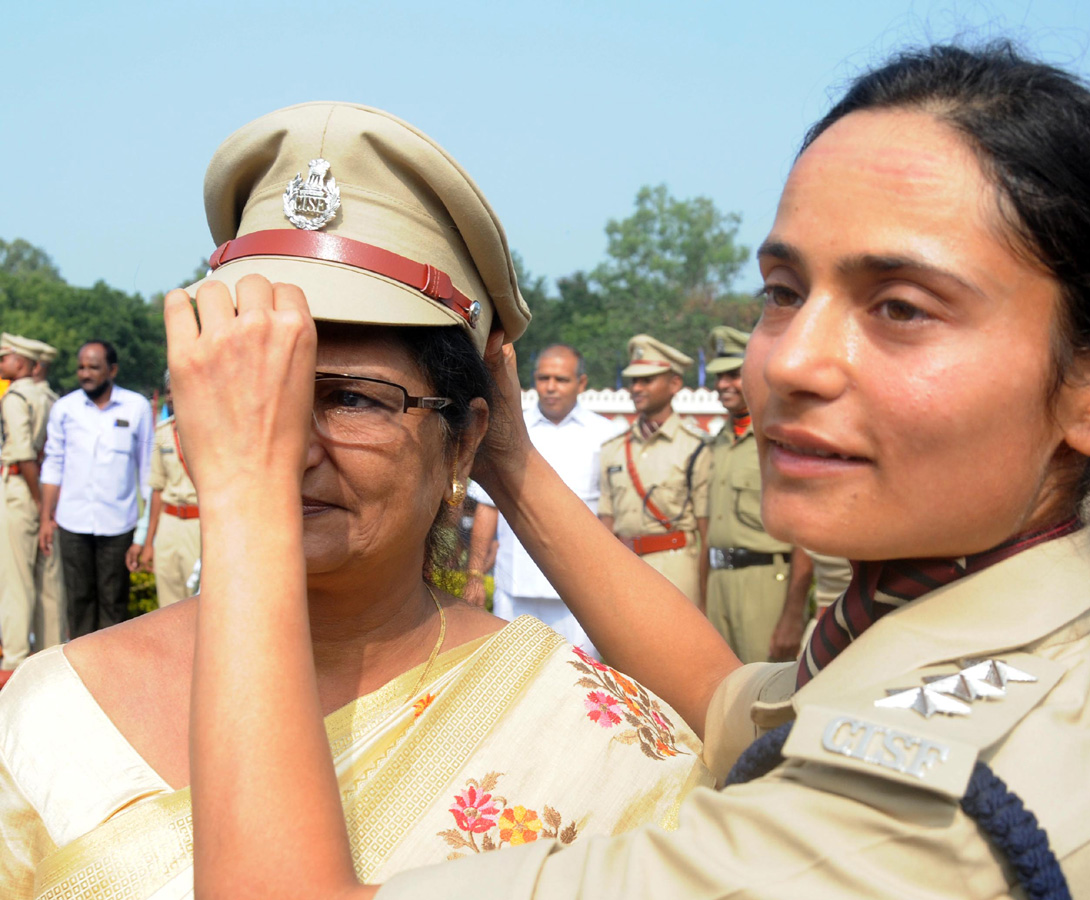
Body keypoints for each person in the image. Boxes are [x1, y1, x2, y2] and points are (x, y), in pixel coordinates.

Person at [183, 43, 1090, 900]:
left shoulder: (909, 825)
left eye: (901, 308)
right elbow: (725, 704)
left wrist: (243, 496)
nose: (787, 363)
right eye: (785, 291)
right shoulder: (970, 657)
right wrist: (512, 464)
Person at [0, 103, 709, 900]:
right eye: (254, 389)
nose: (281, 445)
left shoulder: (581, 730)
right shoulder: (50, 711)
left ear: (467, 438)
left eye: (351, 399)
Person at [463, 345, 620, 656]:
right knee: (511, 680)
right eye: (543, 378)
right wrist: (475, 576)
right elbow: (486, 509)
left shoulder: (606, 435)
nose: (550, 387)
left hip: (582, 592)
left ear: (582, 383)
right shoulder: (507, 432)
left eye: (561, 379)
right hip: (516, 587)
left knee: (583, 686)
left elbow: (611, 516)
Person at [703, 326, 809, 662]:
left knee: (766, 698)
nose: (723, 385)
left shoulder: (782, 440)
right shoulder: (715, 442)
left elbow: (804, 533)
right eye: (718, 377)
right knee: (721, 693)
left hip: (765, 584)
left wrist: (794, 614)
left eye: (733, 375)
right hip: (719, 583)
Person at [38, 339, 154, 637]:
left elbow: (148, 473)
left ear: (112, 370)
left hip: (118, 525)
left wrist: (145, 534)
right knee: (78, 603)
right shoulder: (65, 408)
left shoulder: (136, 407)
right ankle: (80, 675)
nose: (85, 373)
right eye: (81, 367)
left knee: (114, 605)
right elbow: (53, 464)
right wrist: (45, 520)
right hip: (73, 522)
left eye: (94, 367)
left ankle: (111, 678)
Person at [598, 335, 711, 604]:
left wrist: (706, 595)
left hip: (676, 569)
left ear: (674, 384)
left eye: (647, 380)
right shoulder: (613, 449)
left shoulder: (695, 447)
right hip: (624, 567)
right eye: (633, 381)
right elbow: (607, 522)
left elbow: (707, 532)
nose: (636, 388)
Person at [0, 334, 64, 686]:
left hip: (22, 492)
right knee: (48, 583)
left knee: (16, 582)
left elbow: (23, 454)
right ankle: (51, 662)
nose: (1, 365)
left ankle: (13, 664)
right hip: (47, 495)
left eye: (5, 359)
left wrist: (39, 505)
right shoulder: (50, 397)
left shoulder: (16, 396)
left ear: (21, 363)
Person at [139, 370, 201, 608]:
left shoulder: (211, 434)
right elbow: (157, 489)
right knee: (167, 601)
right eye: (168, 392)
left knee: (198, 601)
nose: (172, 398)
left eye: (178, 390)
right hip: (168, 524)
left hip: (199, 525)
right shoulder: (162, 433)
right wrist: (148, 542)